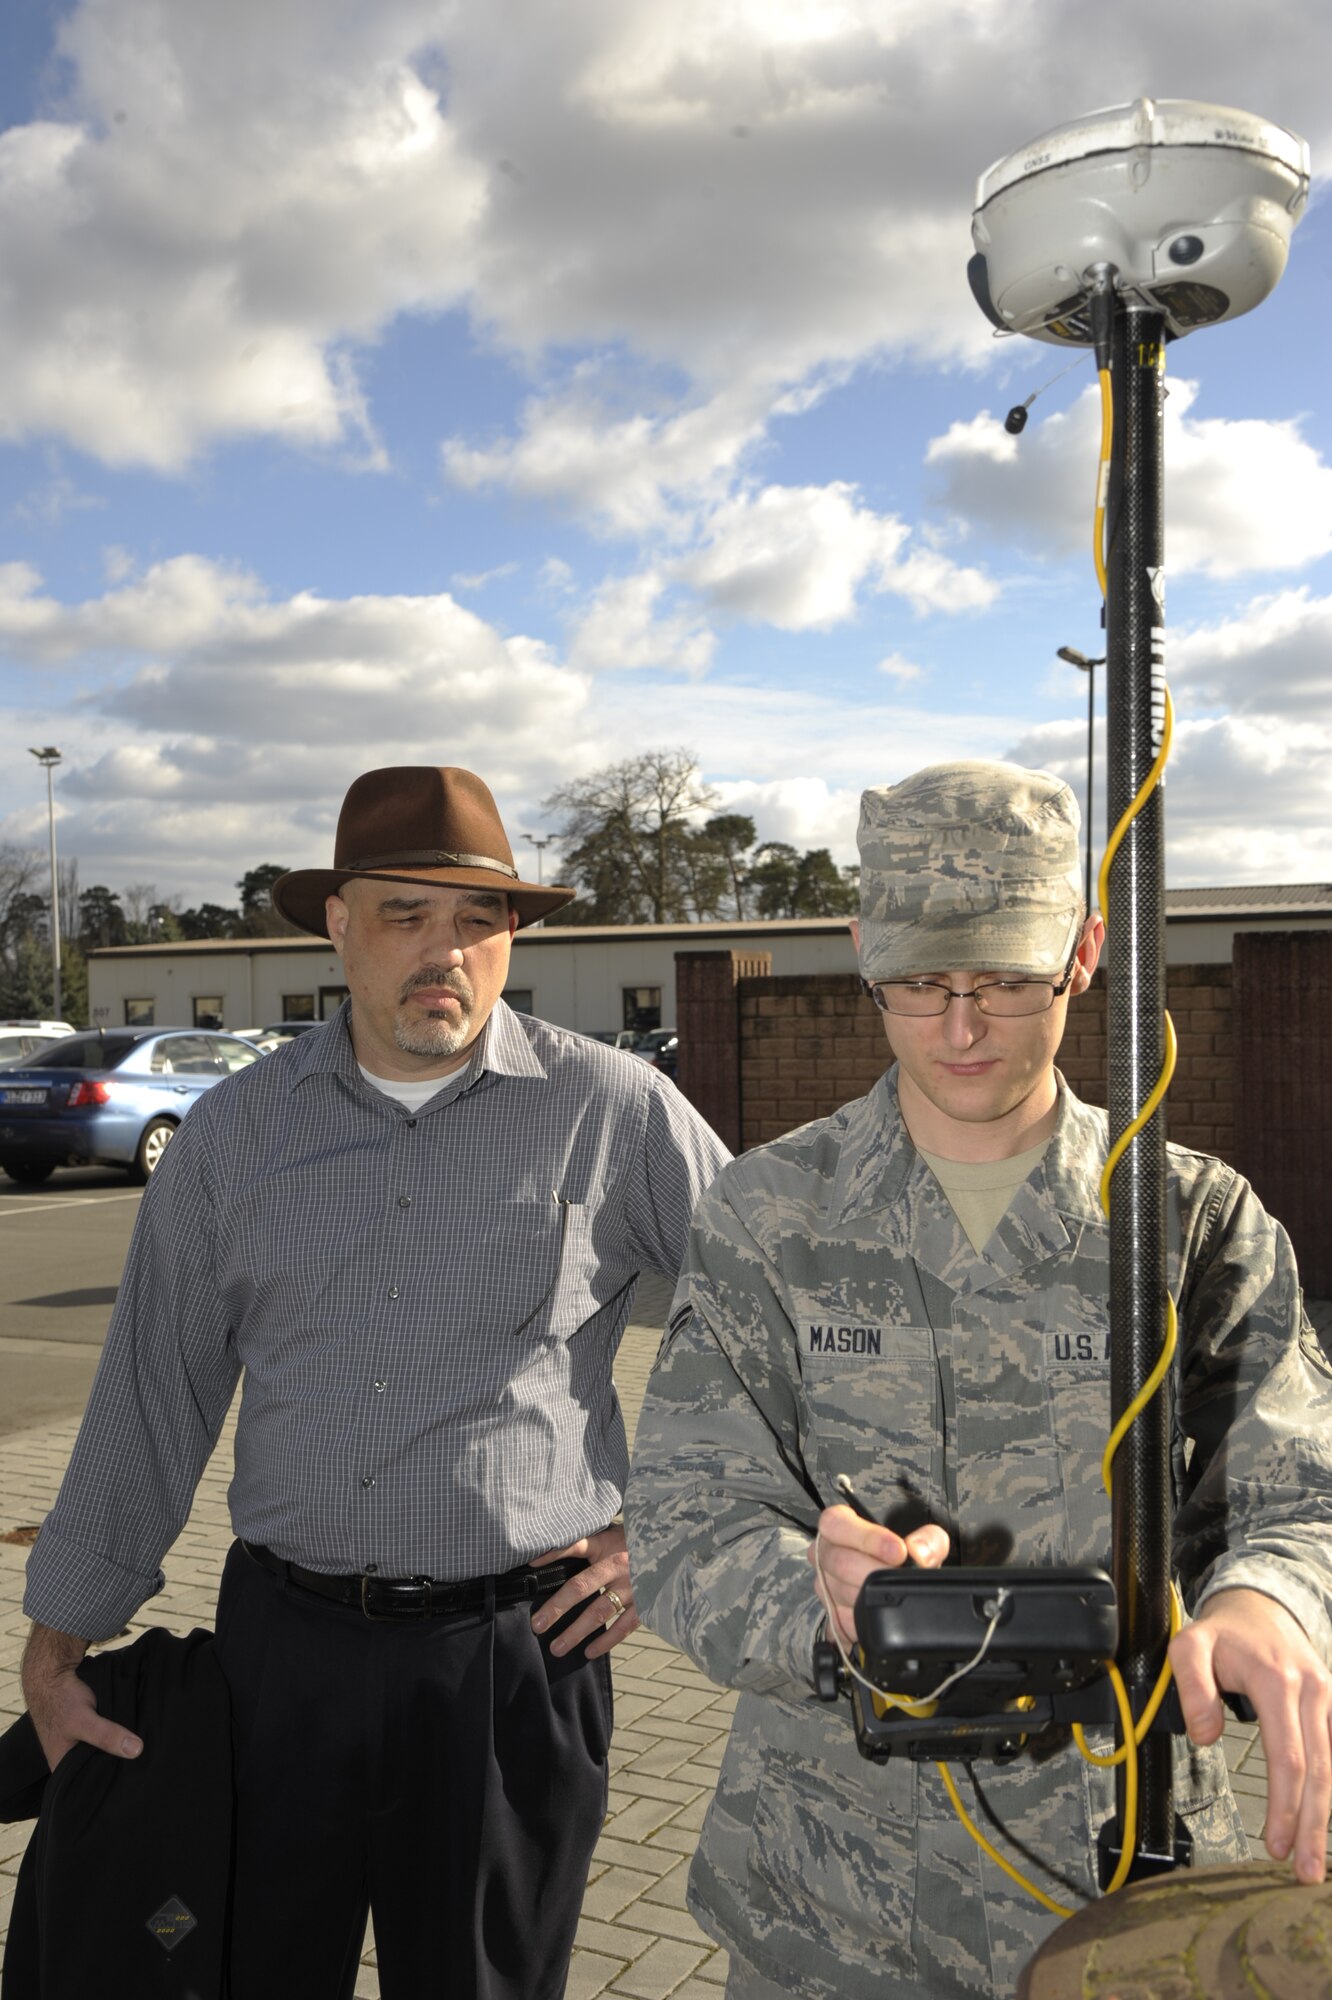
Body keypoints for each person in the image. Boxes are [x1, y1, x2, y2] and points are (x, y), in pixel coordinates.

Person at [21, 763, 731, 2000]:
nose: (443, 950)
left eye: (476, 919)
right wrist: (57, 1640)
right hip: (278, 1663)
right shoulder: (234, 1132)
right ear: (339, 926)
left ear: (511, 938)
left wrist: (669, 1524)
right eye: (405, 914)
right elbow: (152, 1392)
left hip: (517, 1659)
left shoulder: (617, 1110)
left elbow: (769, 1312)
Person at [625, 760, 1332, 2000]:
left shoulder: (1187, 1219)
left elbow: (1300, 1492)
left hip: (1123, 1877)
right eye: (919, 982)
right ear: (863, 953)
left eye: (1003, 979)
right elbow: (683, 1518)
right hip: (834, 1897)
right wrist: (812, 1593)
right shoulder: (767, 1216)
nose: (959, 1027)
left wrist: (1268, 1600)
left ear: (1084, 952)